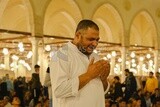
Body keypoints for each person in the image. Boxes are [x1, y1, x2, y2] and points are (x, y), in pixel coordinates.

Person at [49, 19, 110, 107]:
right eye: (91, 39)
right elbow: (59, 90)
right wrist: (88, 75)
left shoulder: (96, 57)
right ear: (78, 36)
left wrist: (104, 79)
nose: (95, 44)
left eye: (97, 40)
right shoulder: (60, 55)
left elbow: (100, 90)